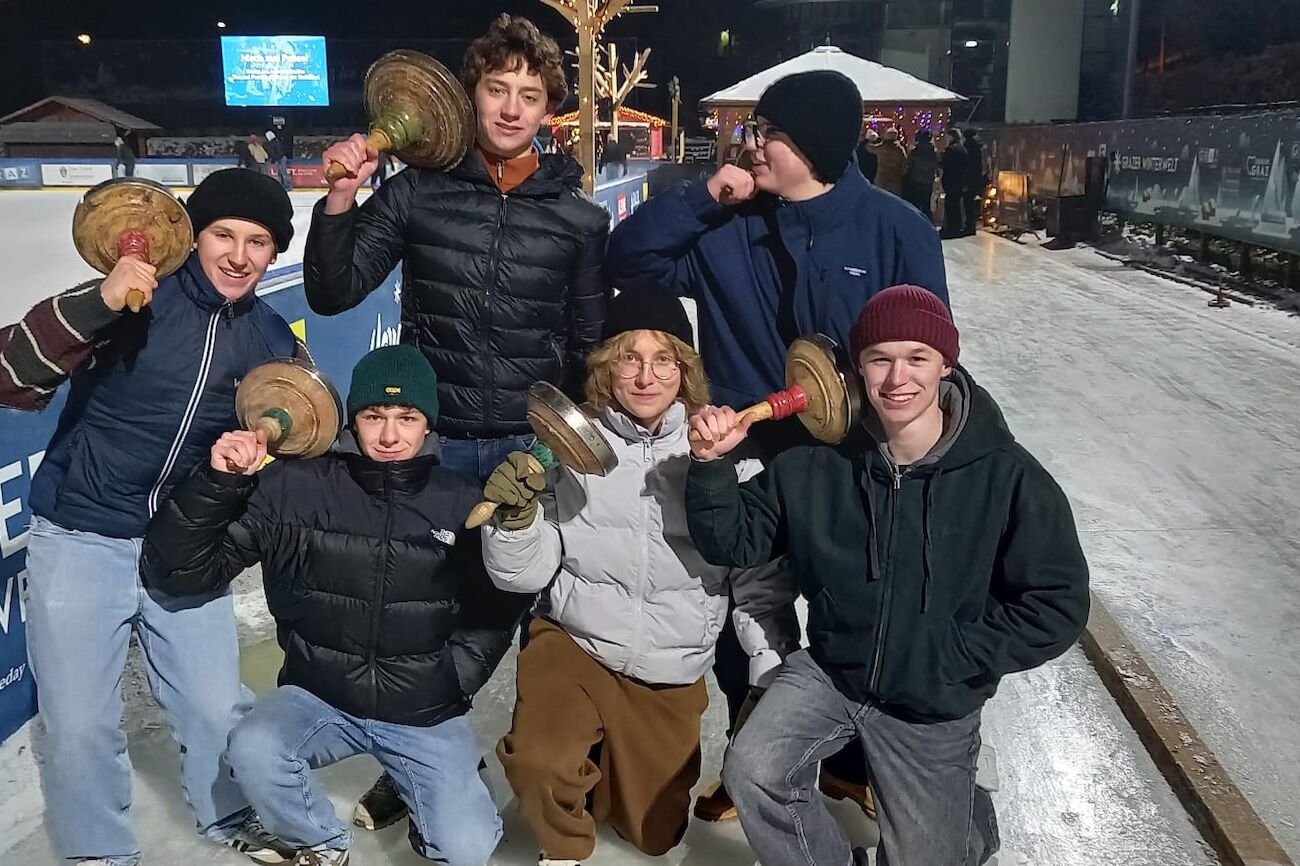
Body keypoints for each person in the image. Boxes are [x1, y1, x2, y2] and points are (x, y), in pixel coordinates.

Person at [605, 68, 947, 819]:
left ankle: (853, 764)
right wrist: (707, 196)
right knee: (748, 614)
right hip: (751, 452)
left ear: (813, 145)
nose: (752, 145)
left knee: (850, 610)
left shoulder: (895, 230)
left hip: (857, 461)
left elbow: (930, 353)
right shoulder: (728, 226)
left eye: (769, 134)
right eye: (754, 130)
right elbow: (626, 260)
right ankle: (754, 750)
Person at [303, 12, 611, 829]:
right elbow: (333, 291)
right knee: (418, 611)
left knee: (495, 618)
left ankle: (436, 755)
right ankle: (424, 759)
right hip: (430, 445)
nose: (510, 108)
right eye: (497, 89)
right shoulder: (418, 192)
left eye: (529, 95)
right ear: (472, 94)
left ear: (549, 109)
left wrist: (557, 453)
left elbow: (588, 351)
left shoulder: (579, 220)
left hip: (522, 452)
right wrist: (342, 198)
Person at [684, 284, 1090, 866]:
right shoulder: (817, 462)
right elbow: (735, 541)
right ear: (858, 368)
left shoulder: (1007, 476)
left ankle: (965, 818)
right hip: (835, 670)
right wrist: (710, 465)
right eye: (880, 359)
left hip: (931, 702)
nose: (898, 378)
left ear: (946, 364)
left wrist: (952, 656)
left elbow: (1057, 604)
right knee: (753, 770)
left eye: (917, 358)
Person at [141, 346, 528, 866]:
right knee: (254, 747)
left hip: (422, 708)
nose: (389, 435)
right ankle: (321, 842)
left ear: (428, 424)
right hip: (321, 697)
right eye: (374, 416)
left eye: (407, 418)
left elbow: (498, 607)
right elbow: (181, 571)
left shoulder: (462, 501)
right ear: (353, 419)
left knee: (467, 848)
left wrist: (454, 678)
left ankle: (440, 788)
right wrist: (219, 481)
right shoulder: (294, 488)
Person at [19, 169, 304, 866]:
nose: (239, 255)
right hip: (82, 533)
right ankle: (98, 852)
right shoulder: (134, 299)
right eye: (223, 235)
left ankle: (230, 812)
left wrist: (260, 451)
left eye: (258, 241)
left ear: (274, 252)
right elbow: (12, 374)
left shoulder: (271, 339)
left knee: (215, 706)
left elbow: (301, 429)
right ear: (193, 237)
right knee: (80, 724)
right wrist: (97, 302)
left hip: (183, 544)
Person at [477, 289, 798, 865]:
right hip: (576, 641)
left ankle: (604, 762)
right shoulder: (571, 446)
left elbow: (758, 582)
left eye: (664, 359)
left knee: (655, 833)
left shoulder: (726, 450)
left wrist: (766, 673)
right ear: (607, 366)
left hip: (669, 663)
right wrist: (516, 522)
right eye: (630, 357)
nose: (647, 377)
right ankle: (563, 846)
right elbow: (524, 576)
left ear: (686, 369)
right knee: (541, 764)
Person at [901, 128, 939, 221]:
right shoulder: (933, 152)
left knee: (915, 204)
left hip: (915, 180)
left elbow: (908, 165)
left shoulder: (915, 151)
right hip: (928, 181)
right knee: (926, 205)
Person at [940, 127, 969, 239]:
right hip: (960, 181)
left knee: (950, 205)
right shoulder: (963, 149)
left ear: (952, 136)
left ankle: (951, 227)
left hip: (951, 180)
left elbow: (944, 163)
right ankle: (957, 226)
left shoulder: (951, 150)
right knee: (956, 204)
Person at [963, 128, 987, 236]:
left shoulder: (969, 145)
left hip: (970, 178)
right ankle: (971, 225)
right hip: (977, 178)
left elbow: (967, 163)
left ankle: (969, 226)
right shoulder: (979, 145)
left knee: (968, 203)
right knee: (972, 202)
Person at [872, 128, 908, 197]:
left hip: (881, 179)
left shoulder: (881, 147)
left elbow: (869, 148)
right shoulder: (900, 149)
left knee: (879, 197)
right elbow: (905, 164)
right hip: (894, 181)